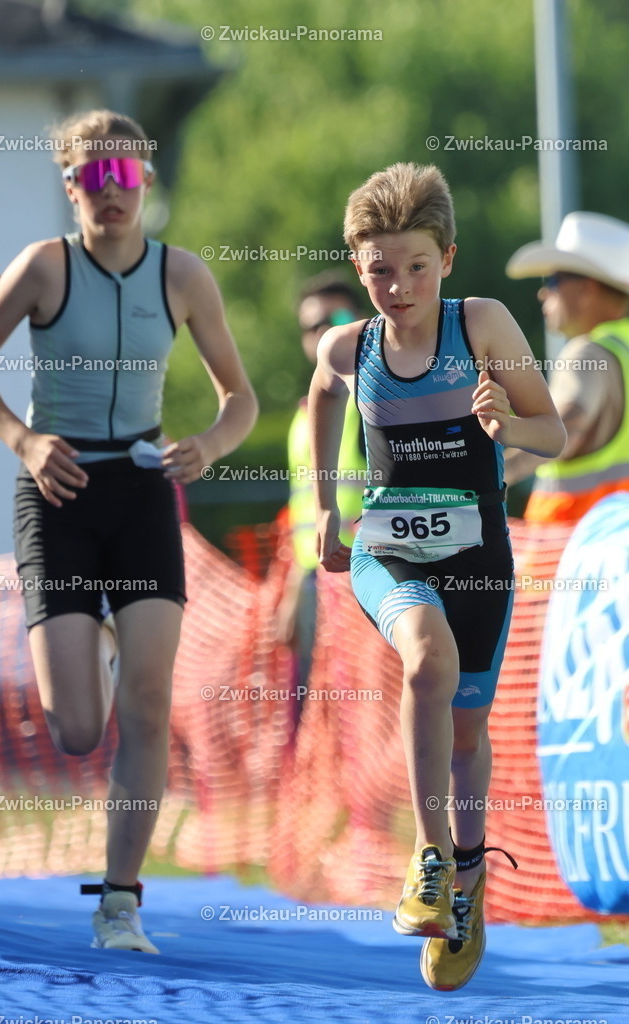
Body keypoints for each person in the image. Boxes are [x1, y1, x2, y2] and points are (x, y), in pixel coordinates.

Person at [0, 109, 257, 953]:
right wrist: (24, 439)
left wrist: (210, 445)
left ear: (146, 182)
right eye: (93, 176)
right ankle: (86, 639)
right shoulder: (43, 269)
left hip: (143, 486)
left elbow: (241, 399)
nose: (110, 191)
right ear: (71, 185)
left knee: (149, 704)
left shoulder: (183, 276)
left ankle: (119, 905)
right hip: (58, 492)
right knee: (79, 729)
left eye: (125, 175)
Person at [308, 162, 565, 990]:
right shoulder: (351, 345)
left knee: (465, 733)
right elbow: (320, 391)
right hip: (388, 548)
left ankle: (465, 881)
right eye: (379, 268)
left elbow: (554, 432)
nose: (398, 285)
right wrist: (323, 502)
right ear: (358, 267)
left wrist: (505, 423)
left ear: (446, 259)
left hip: (478, 553)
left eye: (415, 265)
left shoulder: (480, 324)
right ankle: (425, 856)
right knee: (425, 654)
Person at [504, 211, 629, 522]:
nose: (543, 292)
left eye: (554, 280)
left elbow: (567, 425)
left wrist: (492, 477)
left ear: (586, 288)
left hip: (576, 549)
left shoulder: (587, 352)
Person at [276, 275, 367, 689]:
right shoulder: (305, 412)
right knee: (313, 708)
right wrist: (297, 582)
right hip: (317, 576)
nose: (323, 331)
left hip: (368, 571)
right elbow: (304, 508)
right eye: (312, 326)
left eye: (337, 318)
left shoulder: (379, 398)